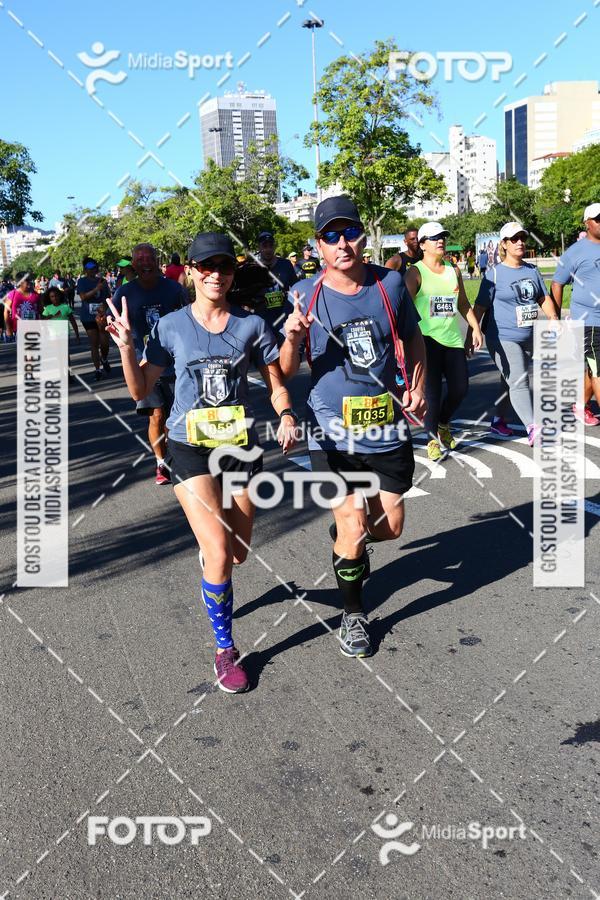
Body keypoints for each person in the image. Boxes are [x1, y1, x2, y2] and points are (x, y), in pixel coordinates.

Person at [106, 232, 298, 693]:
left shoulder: (250, 325)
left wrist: (287, 412)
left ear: (233, 273)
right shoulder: (170, 326)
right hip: (188, 446)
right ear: (190, 271)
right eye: (206, 266)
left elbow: (278, 382)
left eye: (225, 267)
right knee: (218, 553)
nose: (216, 274)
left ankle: (214, 558)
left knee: (238, 553)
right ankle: (225, 650)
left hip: (239, 446)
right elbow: (139, 390)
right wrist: (128, 349)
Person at [280, 195, 427, 659]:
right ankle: (354, 615)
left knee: (391, 529)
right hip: (330, 429)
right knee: (354, 524)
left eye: (349, 232)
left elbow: (412, 337)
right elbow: (283, 370)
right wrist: (293, 337)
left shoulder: (391, 284)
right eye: (330, 235)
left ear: (363, 235)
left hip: (385, 427)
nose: (342, 243)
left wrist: (419, 387)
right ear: (318, 245)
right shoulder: (304, 294)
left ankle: (350, 541)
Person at [470, 223, 559, 445]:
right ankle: (533, 427)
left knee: (507, 379)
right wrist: (473, 333)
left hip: (528, 337)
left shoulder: (532, 270)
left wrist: (553, 318)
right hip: (502, 338)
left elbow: (543, 298)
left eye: (522, 237)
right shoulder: (495, 274)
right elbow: (479, 307)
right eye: (514, 239)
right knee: (519, 379)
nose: (520, 242)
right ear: (504, 244)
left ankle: (499, 421)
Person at [404, 222, 483, 461]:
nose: (441, 241)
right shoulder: (415, 272)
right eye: (435, 237)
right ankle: (431, 439)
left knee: (461, 389)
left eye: (443, 237)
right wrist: (404, 341)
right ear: (423, 244)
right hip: (426, 340)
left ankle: (443, 424)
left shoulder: (453, 270)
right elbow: (404, 307)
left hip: (452, 339)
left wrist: (475, 327)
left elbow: (462, 304)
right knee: (433, 393)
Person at [111, 243, 186, 485]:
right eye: (139, 259)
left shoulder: (174, 289)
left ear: (156, 261)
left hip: (176, 365)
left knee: (177, 417)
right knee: (156, 416)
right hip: (146, 363)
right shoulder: (124, 294)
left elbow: (190, 318)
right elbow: (115, 324)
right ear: (133, 264)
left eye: (149, 258)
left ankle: (176, 456)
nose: (145, 262)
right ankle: (160, 462)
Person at [551, 203, 600, 426]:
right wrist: (557, 319)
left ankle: (580, 406)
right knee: (598, 368)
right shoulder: (575, 252)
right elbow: (557, 284)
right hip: (589, 322)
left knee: (593, 368)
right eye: (598, 219)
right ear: (587, 224)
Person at [253, 230, 297, 339]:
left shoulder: (286, 265)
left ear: (274, 246)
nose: (268, 249)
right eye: (264, 245)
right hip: (262, 323)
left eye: (270, 245)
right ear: (259, 247)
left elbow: (296, 288)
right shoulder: (252, 268)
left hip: (285, 321)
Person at [76, 257, 112, 380]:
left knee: (105, 343)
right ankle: (97, 369)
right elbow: (83, 297)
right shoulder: (82, 281)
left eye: (94, 268)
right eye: (90, 269)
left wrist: (104, 306)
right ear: (85, 270)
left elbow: (108, 298)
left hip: (102, 316)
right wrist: (96, 289)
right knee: (94, 343)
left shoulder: (103, 281)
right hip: (88, 316)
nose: (92, 270)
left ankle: (104, 358)